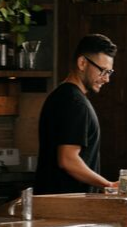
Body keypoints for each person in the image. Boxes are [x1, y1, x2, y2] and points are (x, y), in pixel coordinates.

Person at [35, 33, 117, 194]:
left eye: (109, 72)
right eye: (103, 71)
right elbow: (67, 160)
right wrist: (109, 185)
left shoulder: (59, 95)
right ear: (82, 63)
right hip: (67, 206)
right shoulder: (76, 103)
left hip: (53, 202)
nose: (106, 79)